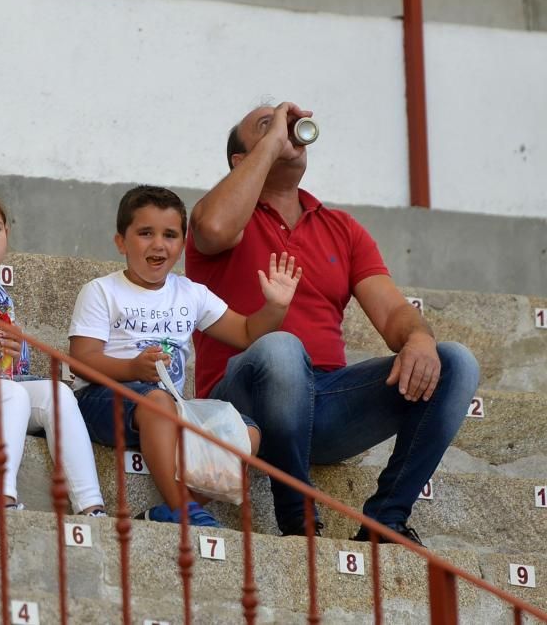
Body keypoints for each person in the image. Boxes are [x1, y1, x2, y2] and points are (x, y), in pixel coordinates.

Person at [185, 102, 480, 543]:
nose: (285, 131)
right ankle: (296, 518)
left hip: (325, 403)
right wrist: (271, 145)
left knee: (457, 362)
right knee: (281, 347)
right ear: (240, 161)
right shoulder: (226, 216)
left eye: (286, 126)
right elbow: (211, 227)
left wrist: (418, 337)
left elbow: (393, 310)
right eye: (266, 127)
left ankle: (386, 521)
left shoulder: (341, 227)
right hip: (241, 407)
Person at [69, 185, 301, 527]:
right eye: (145, 233)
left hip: (168, 410)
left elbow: (247, 333)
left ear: (181, 243)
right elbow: (81, 359)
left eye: (170, 235)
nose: (158, 244)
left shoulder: (190, 293)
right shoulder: (102, 291)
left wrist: (276, 307)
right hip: (101, 401)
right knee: (158, 401)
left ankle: (175, 511)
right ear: (121, 242)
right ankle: (184, 510)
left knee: (247, 433)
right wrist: (133, 367)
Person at [0, 187, 107, 515]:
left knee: (58, 394)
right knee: (13, 396)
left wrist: (16, 352)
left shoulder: (3, 298)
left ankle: (91, 507)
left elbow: (11, 372)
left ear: (7, 232)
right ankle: (0, 499)